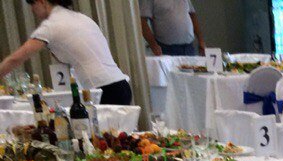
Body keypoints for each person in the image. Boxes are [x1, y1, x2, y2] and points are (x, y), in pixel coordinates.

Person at [0, 0, 132, 105]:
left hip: (104, 90)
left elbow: (16, 59)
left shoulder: (51, 25)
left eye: (32, 4)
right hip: (121, 85)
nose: (32, 9)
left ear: (42, 1)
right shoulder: (81, 18)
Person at [140, 0, 205, 57]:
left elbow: (192, 16)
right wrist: (153, 44)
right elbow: (142, 22)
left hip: (188, 48)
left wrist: (201, 40)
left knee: (191, 67)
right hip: (166, 49)